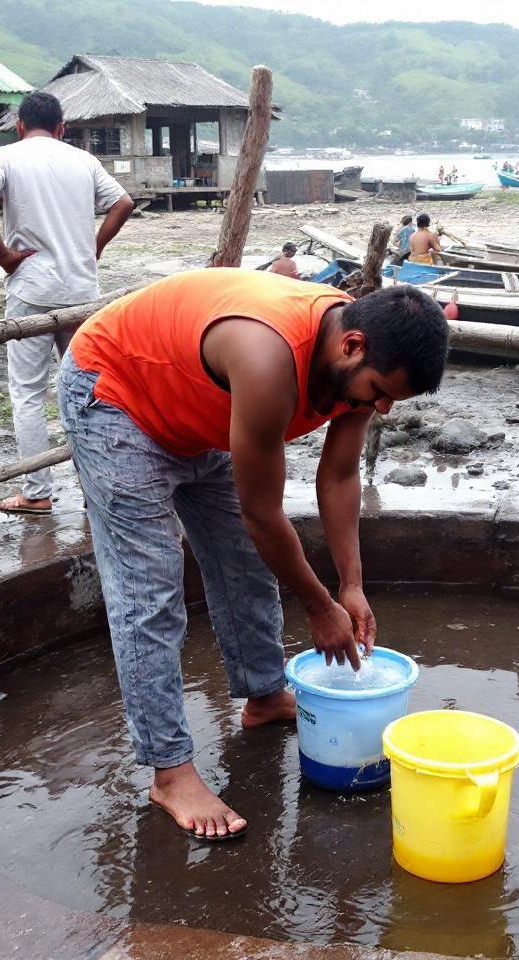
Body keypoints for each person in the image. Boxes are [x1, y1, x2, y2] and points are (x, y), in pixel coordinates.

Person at [59, 269, 450, 839]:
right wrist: (319, 607)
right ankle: (170, 771)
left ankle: (265, 697)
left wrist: (351, 585)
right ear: (352, 346)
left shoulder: (360, 359)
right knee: (151, 595)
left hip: (203, 414)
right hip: (117, 394)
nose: (384, 408)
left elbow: (339, 476)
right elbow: (263, 515)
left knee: (243, 564)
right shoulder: (269, 358)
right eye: (380, 392)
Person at [0, 91, 135, 515]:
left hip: (31, 291)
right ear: (62, 128)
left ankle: (37, 493)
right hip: (81, 293)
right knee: (86, 391)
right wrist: (93, 247)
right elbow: (123, 203)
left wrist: (1, 254)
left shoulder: (4, 156)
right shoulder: (83, 160)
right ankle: (93, 488)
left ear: (20, 126)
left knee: (27, 393)